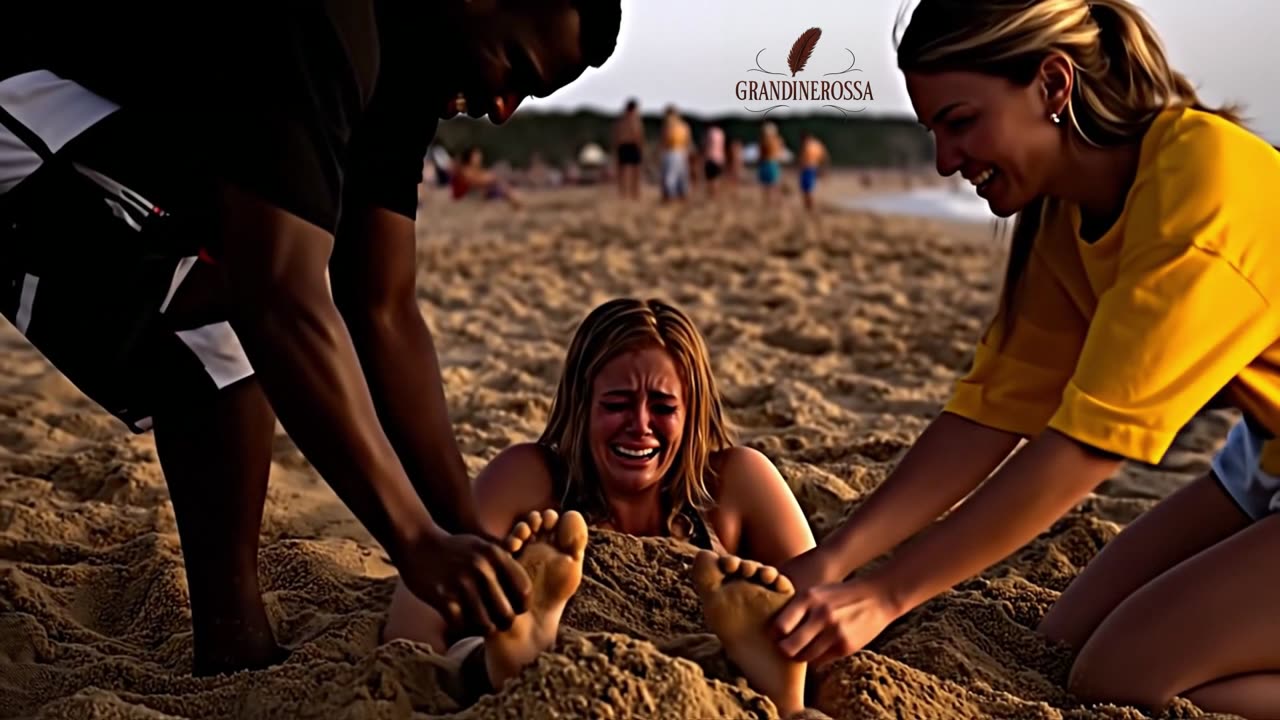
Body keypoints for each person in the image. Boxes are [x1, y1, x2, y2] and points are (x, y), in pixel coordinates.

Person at [0, 1, 622, 677]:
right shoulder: (328, 20)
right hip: (21, 88)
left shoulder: (410, 70)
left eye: (527, 98)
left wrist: (467, 534)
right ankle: (235, 647)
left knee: (226, 295)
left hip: (92, 120)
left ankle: (234, 654)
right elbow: (281, 296)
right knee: (228, 280)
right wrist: (413, 539)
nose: (502, 111)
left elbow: (382, 308)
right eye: (516, 72)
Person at [744, 1, 1280, 717]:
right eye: (934, 132)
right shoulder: (1066, 207)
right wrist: (833, 560)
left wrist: (886, 594)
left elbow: (1087, 446)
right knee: (1060, 642)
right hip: (1262, 460)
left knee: (1121, 677)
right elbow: (991, 411)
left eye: (961, 122)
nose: (945, 160)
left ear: (1054, 85)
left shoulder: (1201, 188)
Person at [383, 298, 817, 717]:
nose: (640, 425)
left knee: (770, 655)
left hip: (704, 693)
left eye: (663, 407)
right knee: (470, 652)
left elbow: (822, 610)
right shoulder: (530, 480)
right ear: (581, 404)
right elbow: (414, 622)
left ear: (692, 414)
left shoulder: (734, 483)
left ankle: (778, 695)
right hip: (558, 688)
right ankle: (512, 661)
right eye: (616, 404)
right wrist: (465, 663)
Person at [450, 147, 522, 208]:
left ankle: (516, 201)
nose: (479, 158)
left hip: (485, 190)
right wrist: (490, 179)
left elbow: (485, 176)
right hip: (476, 193)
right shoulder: (467, 170)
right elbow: (476, 182)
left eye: (479, 155)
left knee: (501, 182)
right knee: (501, 186)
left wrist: (490, 178)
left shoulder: (475, 168)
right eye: (476, 156)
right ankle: (516, 203)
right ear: (470, 157)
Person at [612, 99, 646, 200]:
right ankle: (633, 193)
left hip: (624, 146)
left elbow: (616, 135)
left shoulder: (621, 119)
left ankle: (625, 193)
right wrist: (641, 147)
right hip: (631, 146)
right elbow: (638, 134)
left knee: (624, 172)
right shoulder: (634, 119)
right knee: (633, 172)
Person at [659, 105, 693, 202]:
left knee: (672, 177)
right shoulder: (683, 126)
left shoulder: (671, 126)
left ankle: (672, 196)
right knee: (679, 176)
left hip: (673, 152)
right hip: (678, 152)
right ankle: (677, 195)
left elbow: (665, 140)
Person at [796, 132, 829, 212]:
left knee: (807, 190)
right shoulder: (817, 144)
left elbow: (803, 159)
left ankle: (810, 207)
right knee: (808, 189)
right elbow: (824, 156)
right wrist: (823, 169)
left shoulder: (807, 145)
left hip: (809, 168)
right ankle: (809, 207)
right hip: (813, 168)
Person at [757, 122, 786, 205]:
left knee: (768, 187)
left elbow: (761, 154)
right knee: (773, 186)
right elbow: (781, 153)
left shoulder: (765, 141)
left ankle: (769, 203)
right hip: (773, 164)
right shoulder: (778, 140)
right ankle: (774, 204)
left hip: (767, 164)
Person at [703, 125, 727, 199]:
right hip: (720, 158)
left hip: (710, 157)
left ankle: (712, 195)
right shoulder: (721, 133)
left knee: (710, 178)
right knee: (717, 178)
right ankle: (716, 194)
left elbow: (707, 145)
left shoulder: (710, 132)